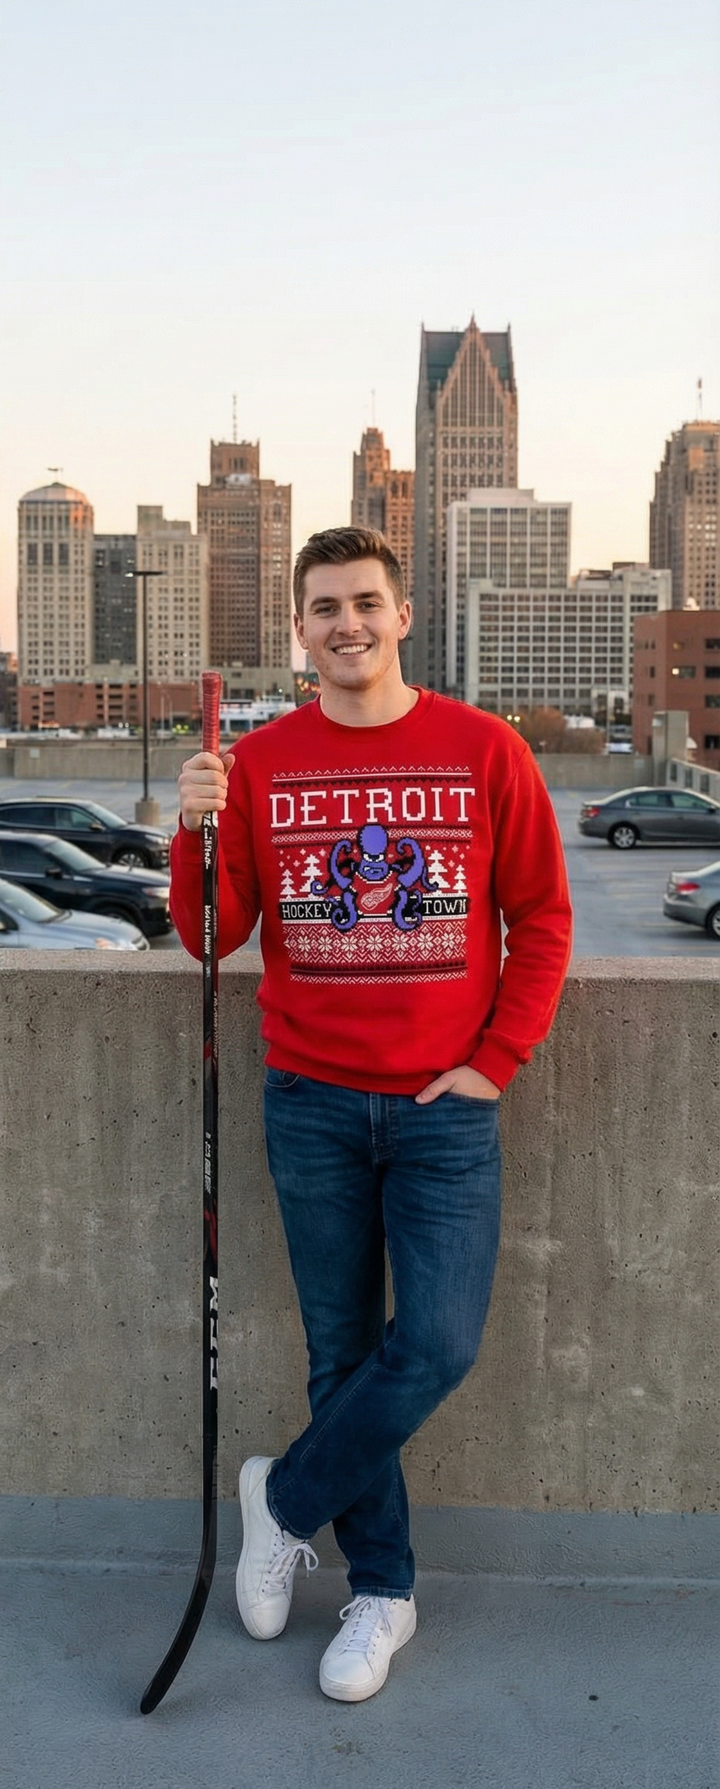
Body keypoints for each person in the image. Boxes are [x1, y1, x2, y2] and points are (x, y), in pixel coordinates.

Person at [169, 525, 573, 1703]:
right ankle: (382, 1590)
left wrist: (496, 1059)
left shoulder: (484, 749)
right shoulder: (262, 763)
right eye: (324, 607)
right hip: (312, 1102)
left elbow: (544, 917)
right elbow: (211, 935)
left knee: (436, 1344)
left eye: (364, 602)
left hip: (445, 1109)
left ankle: (284, 1498)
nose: (346, 623)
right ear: (301, 630)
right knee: (342, 1351)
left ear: (402, 616)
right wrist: (191, 828)